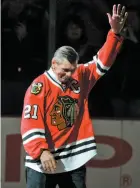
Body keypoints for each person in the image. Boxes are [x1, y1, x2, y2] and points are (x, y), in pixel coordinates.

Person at [21, 4, 128, 188]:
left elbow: (102, 62)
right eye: (64, 70)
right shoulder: (38, 87)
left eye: (72, 70)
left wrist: (114, 33)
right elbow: (30, 122)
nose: (69, 75)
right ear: (53, 64)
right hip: (43, 160)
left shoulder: (80, 76)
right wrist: (41, 151)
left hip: (73, 159)